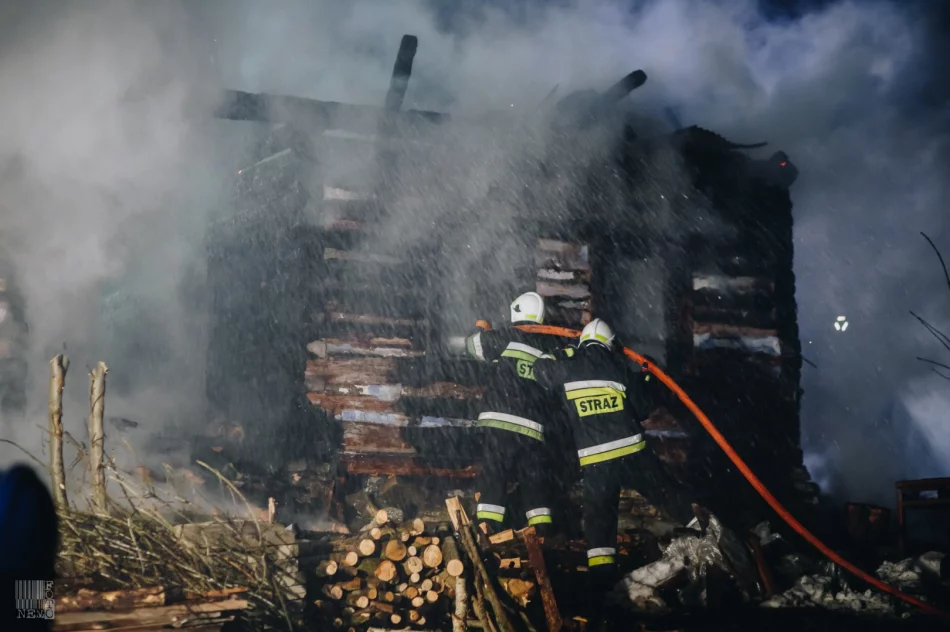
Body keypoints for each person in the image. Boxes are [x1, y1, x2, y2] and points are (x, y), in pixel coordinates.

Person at [534, 318, 694, 588]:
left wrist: (563, 352)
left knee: (599, 516)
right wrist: (646, 376)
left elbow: (539, 369)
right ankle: (702, 526)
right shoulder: (619, 367)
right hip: (632, 452)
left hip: (595, 459)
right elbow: (643, 410)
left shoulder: (567, 369)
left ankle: (602, 578)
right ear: (610, 345)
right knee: (665, 493)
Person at [464, 291, 562, 536]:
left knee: (494, 475)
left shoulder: (503, 338)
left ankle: (489, 530)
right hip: (532, 428)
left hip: (501, 422)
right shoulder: (547, 346)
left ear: (515, 311)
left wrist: (480, 327)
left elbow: (472, 345)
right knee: (534, 479)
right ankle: (541, 533)